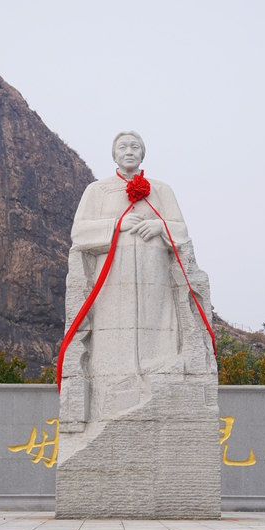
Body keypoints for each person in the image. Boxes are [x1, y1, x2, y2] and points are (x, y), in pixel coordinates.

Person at [59, 131, 215, 426]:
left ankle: (160, 383)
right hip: (112, 281)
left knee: (158, 332)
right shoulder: (97, 190)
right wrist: (116, 225)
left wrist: (159, 226)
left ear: (143, 154)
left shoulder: (161, 189)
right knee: (112, 339)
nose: (129, 151)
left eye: (135, 147)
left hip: (154, 274)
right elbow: (78, 233)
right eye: (122, 147)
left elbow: (181, 231)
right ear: (114, 154)